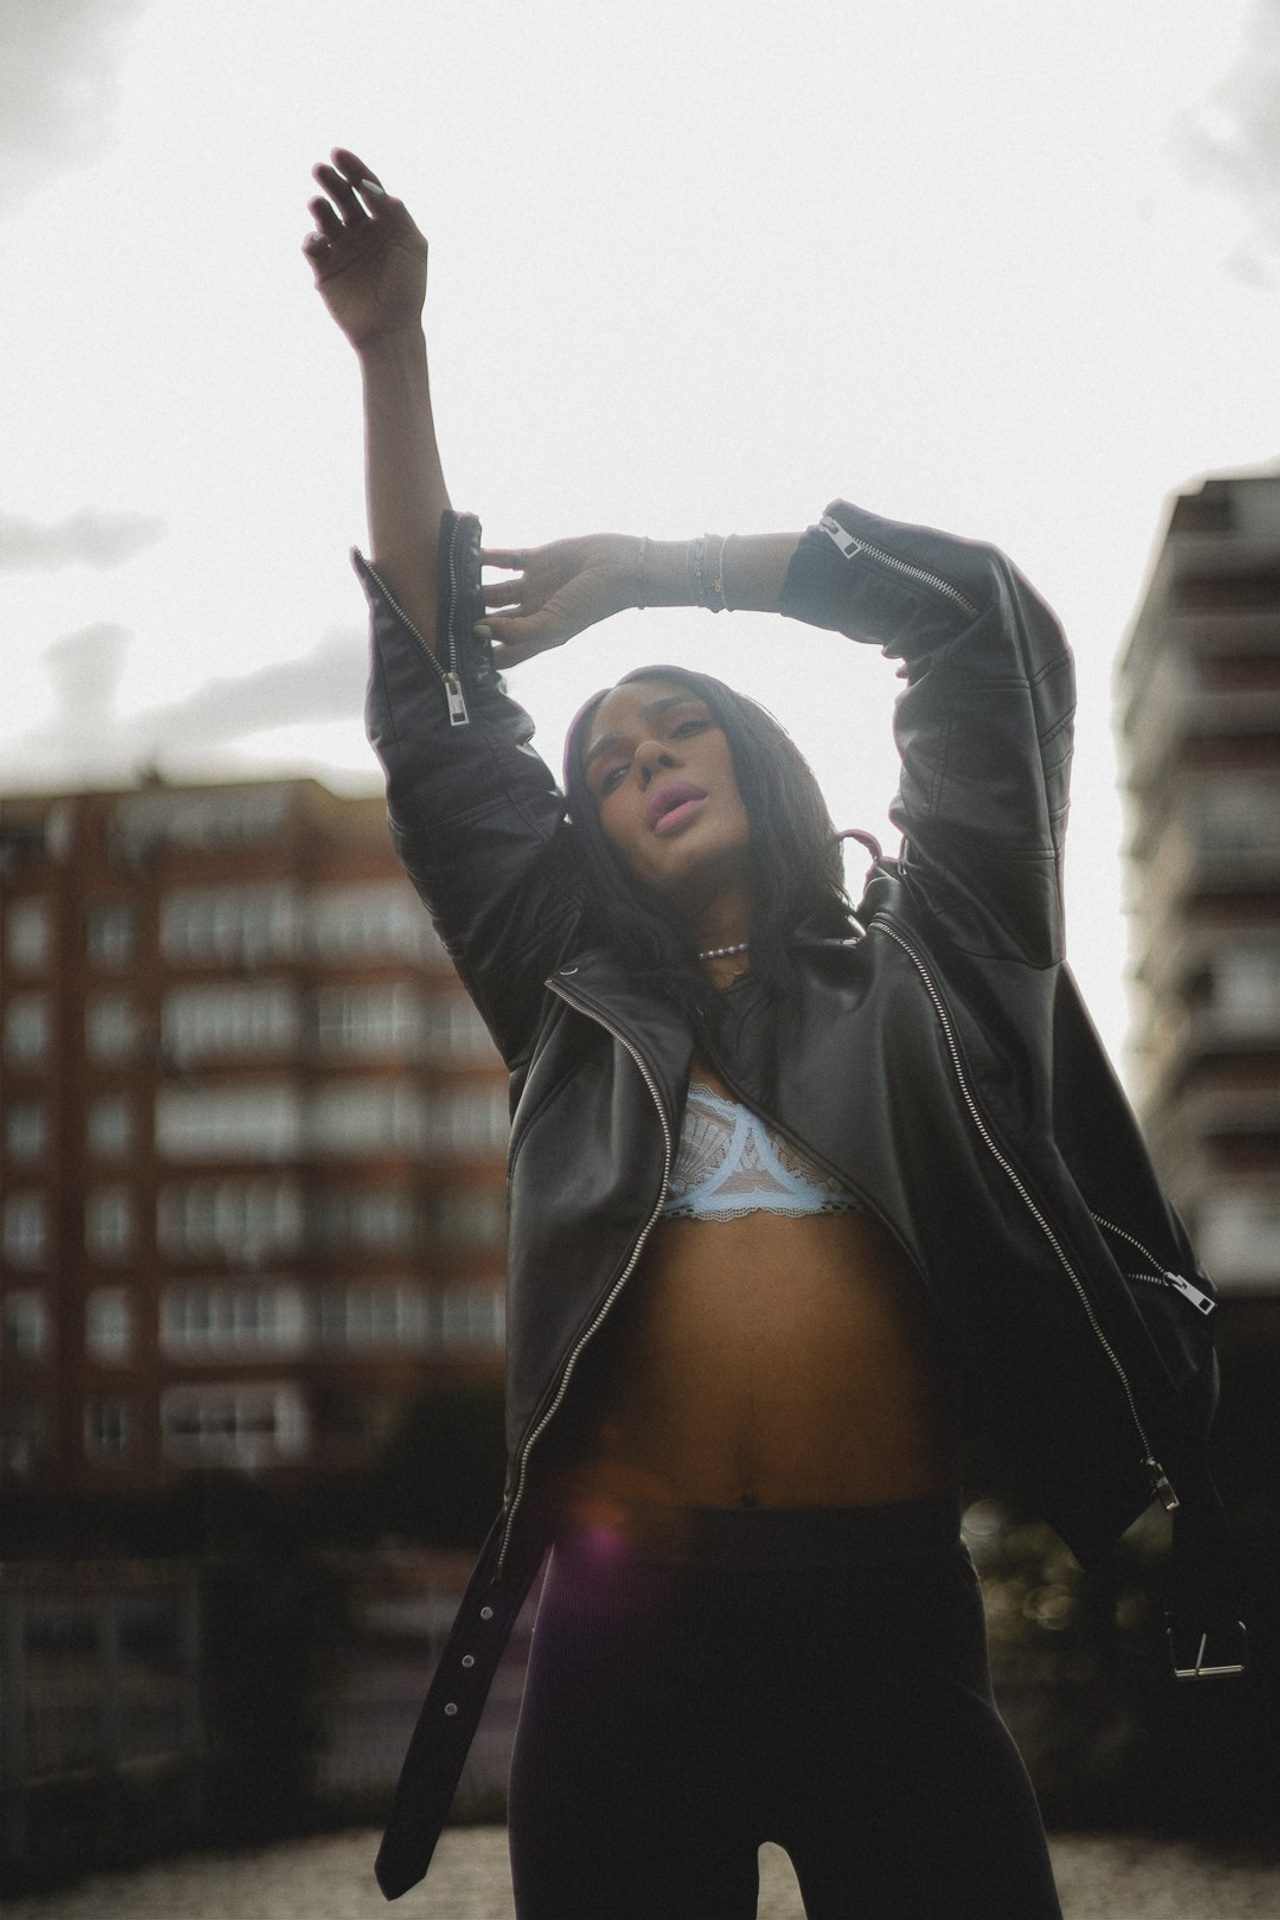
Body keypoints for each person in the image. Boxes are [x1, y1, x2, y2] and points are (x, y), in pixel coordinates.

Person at [303, 149, 1242, 1919]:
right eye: (602, 768)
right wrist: (393, 352)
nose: (638, 763)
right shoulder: (565, 993)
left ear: (750, 751)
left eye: (671, 733)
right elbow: (442, 722)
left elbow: (976, 623)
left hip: (888, 1618)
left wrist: (666, 573)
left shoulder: (938, 960)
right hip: (620, 1638)